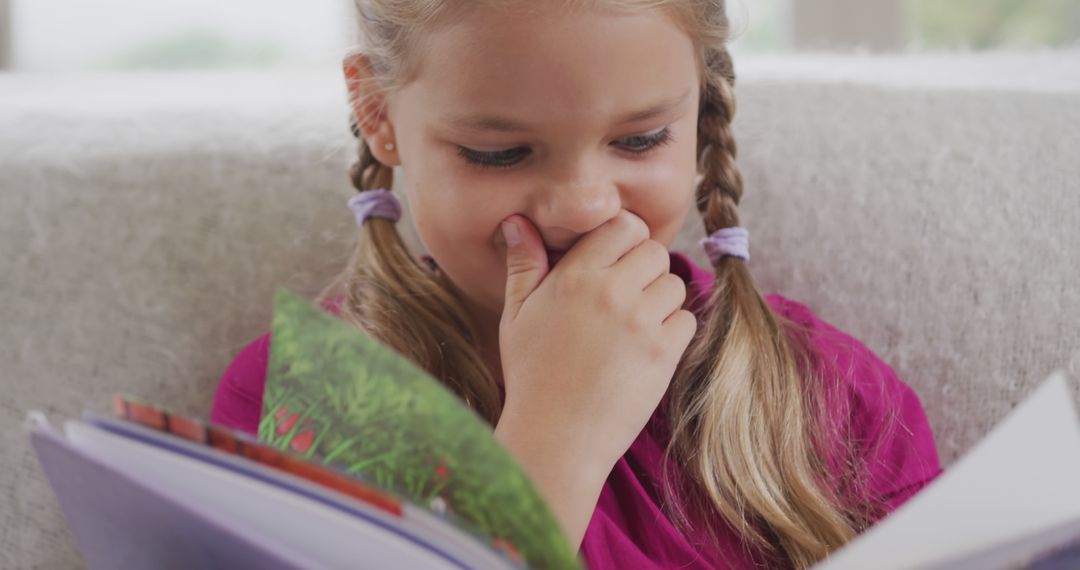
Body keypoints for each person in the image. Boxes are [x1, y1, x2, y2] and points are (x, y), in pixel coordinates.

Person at [211, 1, 941, 568]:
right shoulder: (305, 397)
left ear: (702, 106)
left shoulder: (822, 394)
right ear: (378, 113)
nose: (584, 206)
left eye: (640, 140)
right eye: (499, 153)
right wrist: (554, 438)